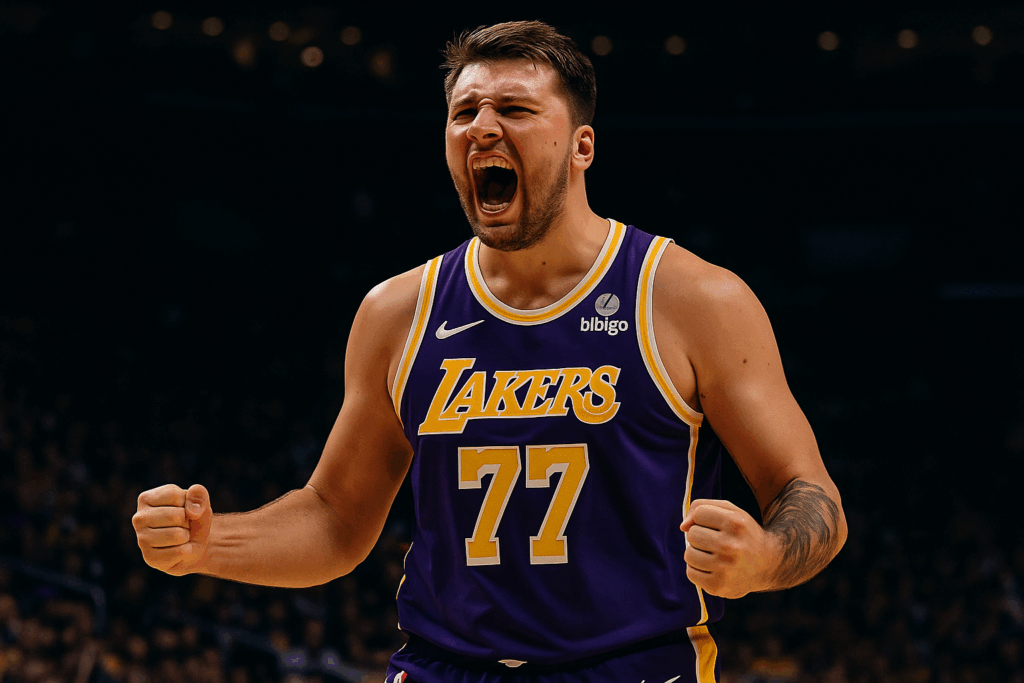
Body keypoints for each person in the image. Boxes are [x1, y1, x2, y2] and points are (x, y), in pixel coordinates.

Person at [132, 20, 847, 683]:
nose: (482, 128)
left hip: (631, 666)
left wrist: (765, 557)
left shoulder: (693, 299)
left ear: (582, 145)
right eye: (464, 111)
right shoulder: (396, 312)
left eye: (515, 109)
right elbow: (335, 519)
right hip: (443, 665)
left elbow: (809, 496)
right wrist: (207, 544)